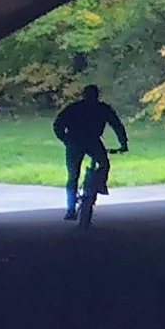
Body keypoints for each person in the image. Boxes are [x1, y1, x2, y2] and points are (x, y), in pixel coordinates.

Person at [52, 80, 127, 223]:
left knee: (73, 175)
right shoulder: (102, 108)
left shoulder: (74, 108)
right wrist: (123, 144)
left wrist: (65, 139)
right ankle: (99, 185)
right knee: (104, 164)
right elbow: (117, 125)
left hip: (75, 142)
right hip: (91, 141)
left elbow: (57, 124)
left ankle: (70, 209)